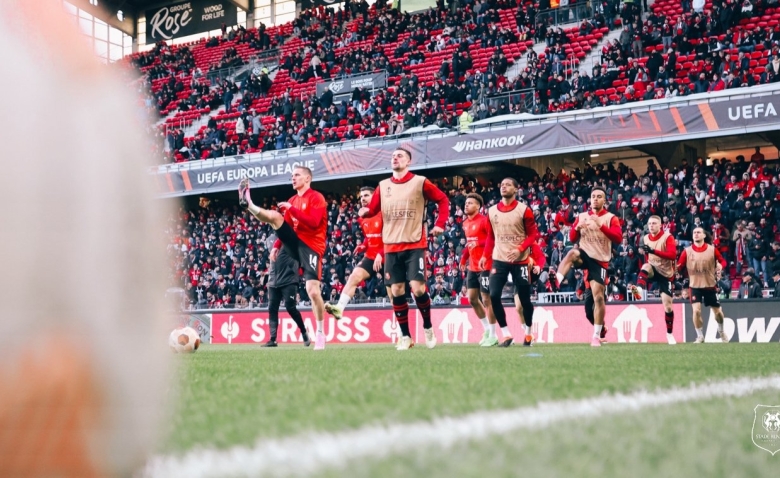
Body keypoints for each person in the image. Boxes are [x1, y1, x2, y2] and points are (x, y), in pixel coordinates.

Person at [359, 148, 450, 350]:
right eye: (393, 156)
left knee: (418, 289)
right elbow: (373, 210)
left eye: (399, 156)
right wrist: (365, 212)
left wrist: (440, 224)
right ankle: (406, 336)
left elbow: (443, 200)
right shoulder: (383, 186)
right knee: (397, 290)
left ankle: (427, 327)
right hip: (390, 246)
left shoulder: (420, 182)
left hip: (414, 243)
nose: (395, 158)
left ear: (409, 161)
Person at [238, 167, 330, 350]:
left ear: (307, 178)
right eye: (292, 175)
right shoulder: (292, 200)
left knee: (312, 291)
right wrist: (276, 246)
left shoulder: (316, 197)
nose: (293, 178)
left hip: (312, 246)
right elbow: (286, 225)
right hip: (294, 243)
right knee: (275, 217)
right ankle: (249, 204)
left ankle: (320, 333)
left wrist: (292, 209)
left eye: (296, 175)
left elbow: (313, 223)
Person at [555, 187, 622, 347]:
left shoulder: (611, 218)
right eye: (593, 197)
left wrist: (601, 225)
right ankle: (556, 280)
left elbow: (618, 238)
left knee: (598, 299)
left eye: (599, 197)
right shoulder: (582, 216)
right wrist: (575, 229)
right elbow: (572, 238)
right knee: (572, 252)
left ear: (605, 200)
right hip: (585, 254)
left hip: (600, 261)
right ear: (590, 200)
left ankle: (597, 335)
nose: (596, 199)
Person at [481, 178, 539, 347]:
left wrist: (520, 249)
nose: (504, 186)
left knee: (525, 300)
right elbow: (491, 237)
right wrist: (486, 255)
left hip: (520, 260)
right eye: (502, 184)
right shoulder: (491, 211)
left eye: (508, 184)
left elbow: (533, 236)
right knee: (493, 295)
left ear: (516, 189)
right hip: (499, 259)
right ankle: (506, 334)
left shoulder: (524, 210)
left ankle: (528, 334)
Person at [325, 187, 391, 319]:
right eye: (361, 197)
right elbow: (369, 236)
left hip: (388, 255)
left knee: (393, 293)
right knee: (354, 276)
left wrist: (381, 253)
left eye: (366, 195)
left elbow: (391, 237)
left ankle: (403, 332)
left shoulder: (384, 213)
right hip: (371, 256)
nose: (363, 199)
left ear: (375, 198)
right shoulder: (362, 217)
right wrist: (363, 245)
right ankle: (339, 308)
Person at [630, 215, 678, 345]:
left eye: (654, 223)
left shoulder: (668, 237)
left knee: (668, 306)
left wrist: (654, 251)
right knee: (645, 266)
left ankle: (669, 334)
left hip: (666, 274)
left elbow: (672, 255)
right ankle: (639, 288)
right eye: (649, 223)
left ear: (660, 225)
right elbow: (647, 256)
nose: (651, 226)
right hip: (653, 269)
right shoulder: (645, 238)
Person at [676, 227, 730, 343]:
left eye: (699, 232)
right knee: (696, 311)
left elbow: (723, 261)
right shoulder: (687, 251)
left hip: (710, 285)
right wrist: (675, 271)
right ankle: (700, 336)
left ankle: (721, 331)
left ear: (704, 235)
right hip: (694, 286)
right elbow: (679, 267)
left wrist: (720, 266)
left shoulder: (712, 250)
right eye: (694, 232)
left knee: (718, 312)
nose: (696, 234)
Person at [458, 193, 498, 347]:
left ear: (478, 206)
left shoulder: (484, 221)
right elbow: (470, 243)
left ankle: (494, 335)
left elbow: (491, 240)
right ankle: (487, 330)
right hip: (473, 266)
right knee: (472, 299)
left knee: (487, 300)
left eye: (470, 203)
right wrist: (463, 259)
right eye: (466, 203)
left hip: (486, 265)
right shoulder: (465, 223)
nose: (466, 205)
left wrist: (480, 245)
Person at [264, 247, 310, 347]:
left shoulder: (289, 240)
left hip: (289, 280)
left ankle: (303, 331)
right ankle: (273, 339)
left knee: (290, 308)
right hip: (273, 282)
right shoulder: (271, 241)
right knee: (272, 309)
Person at [576, 270, 609, 343]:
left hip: (600, 286)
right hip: (589, 289)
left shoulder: (599, 260)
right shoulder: (586, 262)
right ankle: (602, 329)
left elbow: (609, 268)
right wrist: (580, 290)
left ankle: (601, 335)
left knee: (598, 310)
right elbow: (585, 276)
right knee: (589, 314)